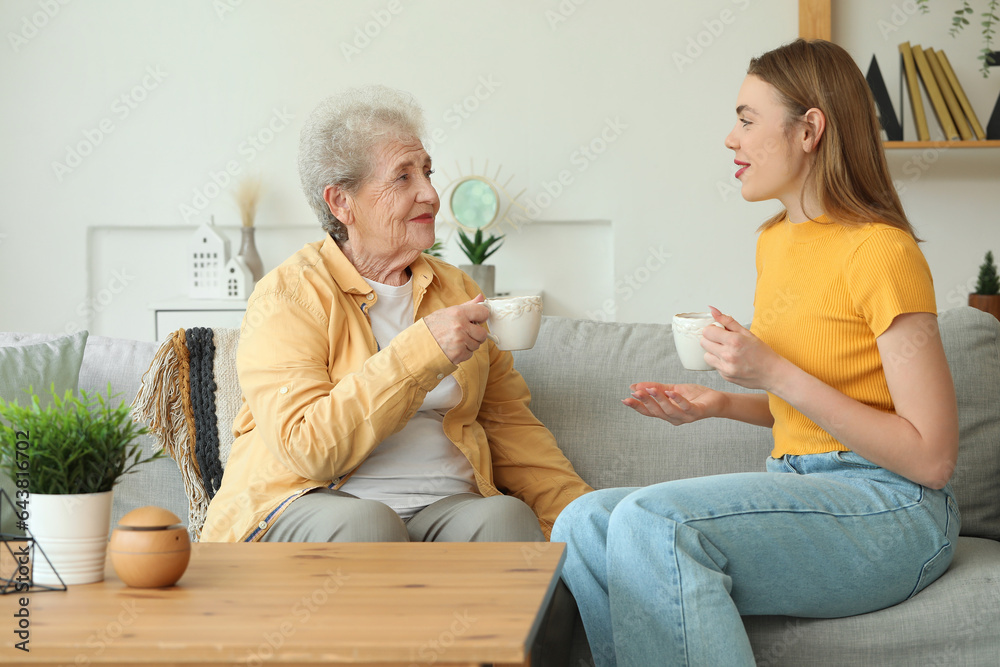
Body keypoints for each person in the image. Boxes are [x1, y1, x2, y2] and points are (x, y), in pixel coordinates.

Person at [551, 39, 961, 666]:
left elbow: (930, 458)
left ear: (810, 130)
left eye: (746, 119)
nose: (729, 139)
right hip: (799, 484)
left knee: (652, 521)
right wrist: (720, 402)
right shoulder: (776, 242)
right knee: (585, 523)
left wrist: (772, 369)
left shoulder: (882, 252)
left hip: (894, 507)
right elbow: (819, 409)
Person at [201, 85, 592, 548]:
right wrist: (422, 350)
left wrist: (590, 519)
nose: (429, 193)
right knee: (370, 526)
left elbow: (509, 425)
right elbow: (309, 449)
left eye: (426, 171)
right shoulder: (288, 296)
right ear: (341, 202)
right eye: (402, 178)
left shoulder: (457, 290)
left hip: (442, 511)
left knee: (505, 518)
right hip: (309, 502)